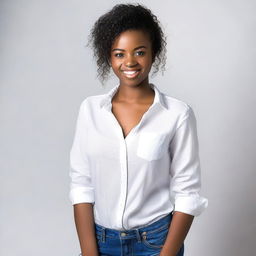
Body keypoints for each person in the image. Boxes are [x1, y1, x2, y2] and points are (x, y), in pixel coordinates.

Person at [69, 3, 208, 256]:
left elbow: (187, 193)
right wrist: (89, 251)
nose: (130, 62)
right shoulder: (90, 110)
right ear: (108, 57)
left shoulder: (177, 114)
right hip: (101, 241)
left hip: (156, 243)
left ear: (154, 53)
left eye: (140, 52)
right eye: (119, 54)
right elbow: (82, 185)